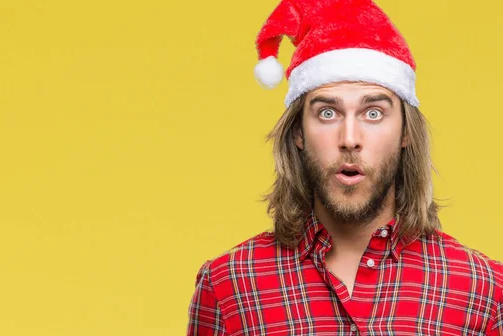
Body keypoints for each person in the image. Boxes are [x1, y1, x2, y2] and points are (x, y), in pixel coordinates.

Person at [186, 0, 503, 335]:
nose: (349, 138)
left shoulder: (483, 292)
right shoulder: (228, 286)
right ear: (298, 133)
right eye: (327, 113)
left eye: (373, 113)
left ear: (406, 133)